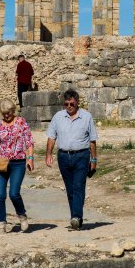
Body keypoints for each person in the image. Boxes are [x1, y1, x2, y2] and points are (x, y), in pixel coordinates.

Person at [44, 90, 97, 230]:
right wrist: (48, 154)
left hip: (82, 156)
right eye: (66, 104)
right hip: (63, 156)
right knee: (70, 189)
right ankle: (76, 217)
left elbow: (92, 140)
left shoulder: (87, 117)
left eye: (72, 103)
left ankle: (76, 217)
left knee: (78, 186)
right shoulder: (58, 117)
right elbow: (51, 137)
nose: (69, 106)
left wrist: (94, 159)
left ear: (77, 102)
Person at [0, 99, 34, 232]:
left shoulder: (21, 122)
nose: (6, 115)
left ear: (13, 111)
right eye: (3, 113)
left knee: (14, 193)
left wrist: (30, 158)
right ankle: (1, 223)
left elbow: (29, 141)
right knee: (0, 195)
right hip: (2, 163)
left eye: (8, 113)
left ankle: (22, 215)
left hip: (18, 163)